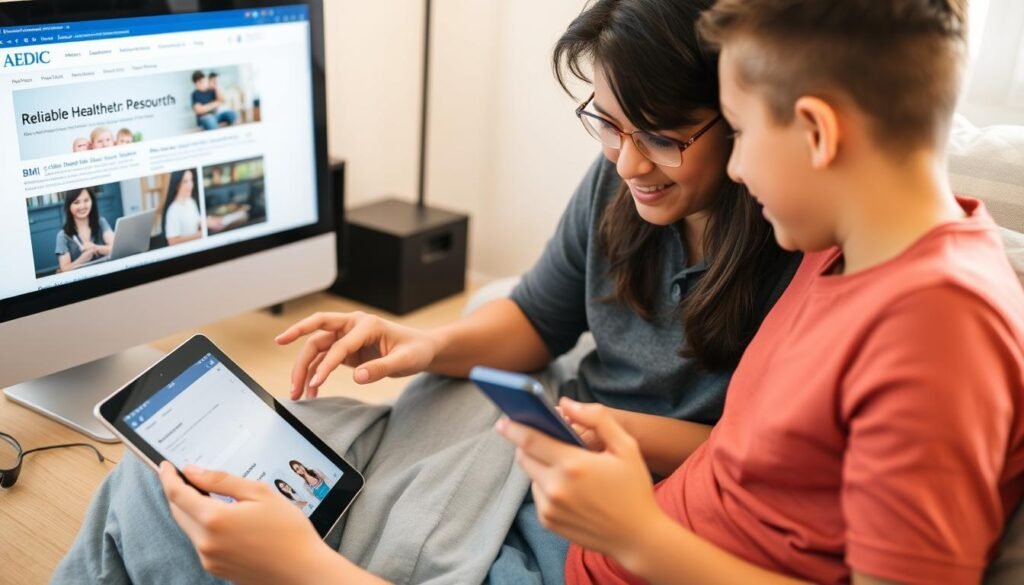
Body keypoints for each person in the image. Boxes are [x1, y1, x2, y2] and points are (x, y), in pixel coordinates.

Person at [54, 1, 799, 583]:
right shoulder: (617, 183)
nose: (628, 160)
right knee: (159, 477)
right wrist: (427, 345)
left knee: (206, 512)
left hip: (609, 471)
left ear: (734, 113)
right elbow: (539, 316)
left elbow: (745, 463)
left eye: (663, 135)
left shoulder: (790, 233)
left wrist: (584, 424)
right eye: (608, 122)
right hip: (545, 418)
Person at [496, 1, 1024, 584]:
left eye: (742, 132)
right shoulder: (841, 252)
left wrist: (635, 536)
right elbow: (757, 458)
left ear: (818, 132)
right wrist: (614, 431)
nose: (737, 170)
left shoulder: (940, 332)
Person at [55, 187, 114, 272]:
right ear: (69, 206)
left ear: (92, 201)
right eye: (76, 202)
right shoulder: (62, 236)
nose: (82, 206)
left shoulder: (101, 222)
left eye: (86, 200)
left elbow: (115, 248)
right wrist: (82, 260)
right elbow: (64, 269)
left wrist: (96, 248)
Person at [162, 169, 203, 246]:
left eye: (191, 180)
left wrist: (210, 222)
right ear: (177, 184)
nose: (190, 185)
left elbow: (197, 221)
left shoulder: (191, 201)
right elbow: (172, 241)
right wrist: (200, 235)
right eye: (185, 181)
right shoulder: (173, 210)